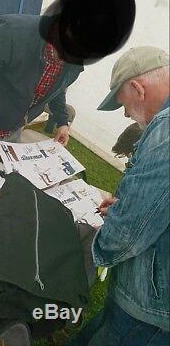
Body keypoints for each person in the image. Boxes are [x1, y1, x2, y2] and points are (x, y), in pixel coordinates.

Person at [0, 0, 136, 171]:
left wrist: (63, 122)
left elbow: (57, 89)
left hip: (13, 130)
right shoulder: (10, 31)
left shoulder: (74, 60)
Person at [68, 46, 169, 346]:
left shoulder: (166, 132)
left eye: (124, 105)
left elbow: (126, 234)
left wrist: (88, 252)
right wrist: (128, 205)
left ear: (138, 89)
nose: (125, 114)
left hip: (150, 306)